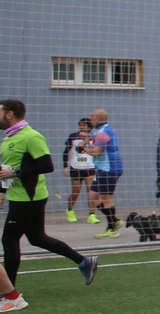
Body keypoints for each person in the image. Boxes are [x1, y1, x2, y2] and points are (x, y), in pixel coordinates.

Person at [1, 100, 98, 292]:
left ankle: (8, 293)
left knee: (9, 240)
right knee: (37, 238)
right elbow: (7, 169)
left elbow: (47, 166)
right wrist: (3, 191)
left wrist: (16, 173)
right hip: (19, 196)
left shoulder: (31, 137)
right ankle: (84, 262)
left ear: (9, 114)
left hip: (29, 198)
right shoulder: (9, 138)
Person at [84, 108, 123, 237]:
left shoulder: (104, 132)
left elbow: (95, 152)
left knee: (106, 198)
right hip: (102, 168)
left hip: (109, 168)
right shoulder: (98, 131)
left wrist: (82, 148)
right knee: (92, 197)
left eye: (92, 116)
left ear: (99, 118)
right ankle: (115, 221)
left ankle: (112, 228)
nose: (90, 118)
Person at [61, 117, 96, 222]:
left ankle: (92, 215)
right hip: (76, 167)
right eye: (80, 125)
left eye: (84, 125)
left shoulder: (94, 137)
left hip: (89, 167)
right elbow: (65, 152)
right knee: (76, 192)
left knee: (91, 192)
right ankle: (70, 210)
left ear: (89, 127)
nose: (81, 127)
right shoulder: (73, 137)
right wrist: (65, 166)